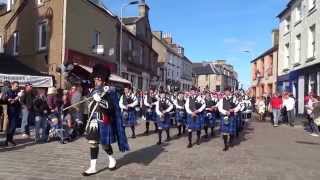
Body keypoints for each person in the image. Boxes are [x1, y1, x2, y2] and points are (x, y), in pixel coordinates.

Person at [82, 64, 129, 176]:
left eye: (99, 79)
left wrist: (100, 100)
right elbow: (88, 106)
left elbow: (110, 107)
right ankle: (93, 167)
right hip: (93, 121)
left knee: (105, 145)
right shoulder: (92, 91)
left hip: (104, 121)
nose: (96, 81)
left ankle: (112, 159)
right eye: (95, 78)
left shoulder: (109, 92)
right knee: (93, 143)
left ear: (103, 80)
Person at [217, 87, 241, 151]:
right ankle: (225, 145)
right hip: (224, 117)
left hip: (232, 116)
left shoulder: (234, 99)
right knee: (224, 132)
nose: (227, 92)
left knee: (231, 131)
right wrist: (225, 112)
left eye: (228, 91)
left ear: (230, 92)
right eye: (226, 91)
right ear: (224, 92)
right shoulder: (222, 99)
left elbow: (239, 106)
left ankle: (230, 140)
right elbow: (219, 108)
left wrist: (233, 109)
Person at [5, 81, 21, 146]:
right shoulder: (8, 92)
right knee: (12, 126)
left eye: (18, 86)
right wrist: (17, 98)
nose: (17, 87)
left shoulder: (16, 92)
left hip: (16, 111)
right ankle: (8, 140)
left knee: (14, 127)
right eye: (16, 86)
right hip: (11, 111)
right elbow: (11, 102)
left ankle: (9, 140)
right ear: (12, 85)